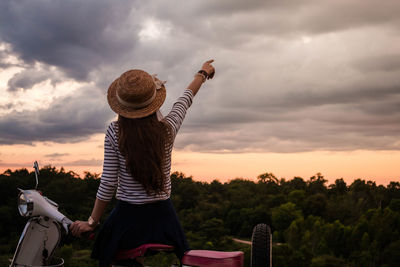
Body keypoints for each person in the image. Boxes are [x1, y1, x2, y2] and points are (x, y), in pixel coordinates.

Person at [70, 60, 215, 266]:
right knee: (185, 259)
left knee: (109, 257)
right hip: (163, 217)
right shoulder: (167, 129)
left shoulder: (114, 132)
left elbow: (109, 183)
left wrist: (92, 222)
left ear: (122, 106)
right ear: (153, 102)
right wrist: (202, 73)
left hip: (126, 217)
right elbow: (185, 99)